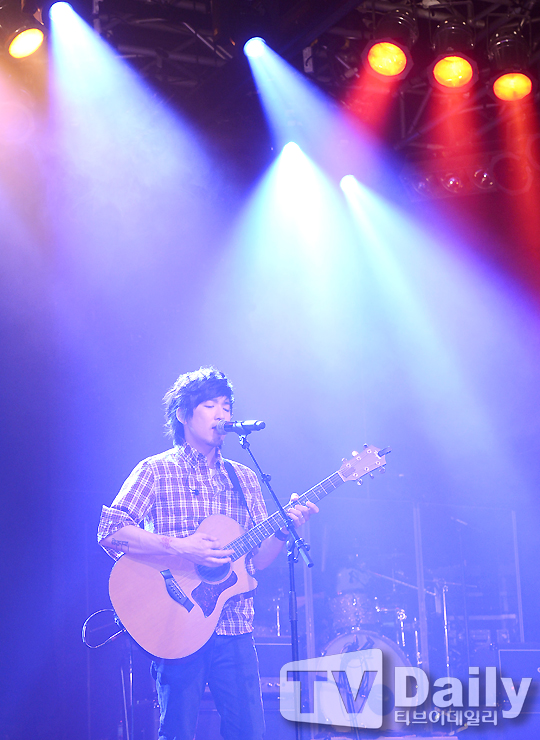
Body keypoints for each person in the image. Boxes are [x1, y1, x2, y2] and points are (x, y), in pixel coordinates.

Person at [97, 366, 318, 740]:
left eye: (227, 406)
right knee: (178, 732)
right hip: (176, 624)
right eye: (210, 405)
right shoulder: (155, 470)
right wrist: (181, 546)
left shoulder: (244, 478)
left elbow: (255, 562)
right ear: (183, 414)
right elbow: (111, 532)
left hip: (235, 628)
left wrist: (283, 530)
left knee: (249, 732)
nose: (222, 414)